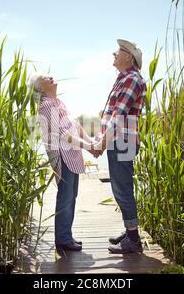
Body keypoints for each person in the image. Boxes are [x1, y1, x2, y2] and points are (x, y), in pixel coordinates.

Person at [29, 74, 98, 251]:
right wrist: (90, 148)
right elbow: (63, 136)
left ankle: (67, 236)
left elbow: (74, 126)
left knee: (71, 195)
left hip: (72, 155)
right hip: (62, 157)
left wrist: (92, 143)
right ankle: (63, 239)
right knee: (66, 197)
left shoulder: (58, 103)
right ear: (41, 89)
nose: (50, 77)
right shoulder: (46, 106)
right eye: (45, 78)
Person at [92, 39, 147, 254]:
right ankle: (130, 231)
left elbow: (118, 116)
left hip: (122, 140)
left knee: (123, 189)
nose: (113, 54)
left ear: (128, 57)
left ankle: (133, 240)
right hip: (118, 140)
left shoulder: (132, 79)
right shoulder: (122, 79)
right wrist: (100, 140)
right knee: (119, 188)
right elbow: (108, 116)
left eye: (119, 51)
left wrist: (102, 144)